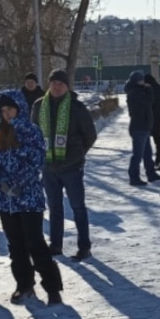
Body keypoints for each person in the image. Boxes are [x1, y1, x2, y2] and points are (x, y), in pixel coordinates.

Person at [0, 90, 63, 305]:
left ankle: (52, 287)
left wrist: (17, 183)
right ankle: (24, 284)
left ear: (19, 108)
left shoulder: (32, 132)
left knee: (35, 243)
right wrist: (1, 182)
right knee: (15, 246)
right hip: (6, 201)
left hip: (28, 199)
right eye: (3, 110)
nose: (7, 114)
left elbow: (36, 161)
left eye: (10, 109)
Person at [32, 69, 98, 261]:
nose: (57, 86)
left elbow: (90, 135)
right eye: (53, 83)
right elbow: (34, 133)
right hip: (48, 167)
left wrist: (77, 154)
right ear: (49, 84)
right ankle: (56, 244)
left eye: (61, 83)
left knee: (78, 208)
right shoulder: (39, 106)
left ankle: (84, 246)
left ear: (67, 86)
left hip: (71, 167)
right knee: (54, 208)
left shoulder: (76, 107)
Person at [125, 71, 160, 186]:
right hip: (139, 127)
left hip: (143, 127)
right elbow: (149, 101)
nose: (143, 82)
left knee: (147, 153)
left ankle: (151, 173)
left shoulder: (137, 91)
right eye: (141, 80)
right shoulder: (135, 93)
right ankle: (134, 177)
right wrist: (149, 89)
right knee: (137, 154)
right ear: (137, 81)